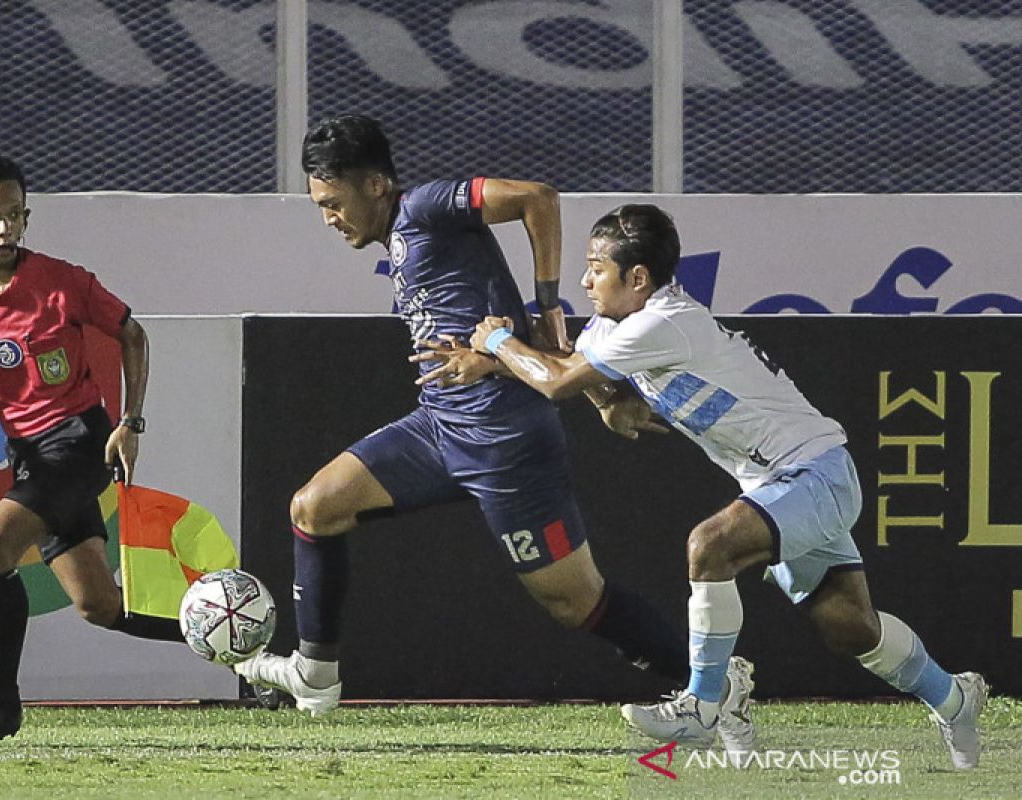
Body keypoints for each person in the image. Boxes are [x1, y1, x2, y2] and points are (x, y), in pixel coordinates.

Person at [233, 115, 755, 751]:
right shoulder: (398, 239)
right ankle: (315, 675)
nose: (329, 218)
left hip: (509, 444)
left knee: (575, 603)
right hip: (440, 425)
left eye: (334, 203)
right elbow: (495, 333)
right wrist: (585, 387)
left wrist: (548, 304)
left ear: (376, 184)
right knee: (314, 507)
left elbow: (538, 198)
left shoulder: (424, 208)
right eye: (320, 206)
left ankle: (716, 687)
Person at [457, 203, 987, 770]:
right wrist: (540, 378)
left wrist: (496, 344)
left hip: (818, 473)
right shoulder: (614, 326)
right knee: (852, 628)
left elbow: (558, 381)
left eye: (596, 268)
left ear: (638, 278)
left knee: (709, 546)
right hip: (780, 483)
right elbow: (591, 386)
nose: (585, 281)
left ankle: (703, 704)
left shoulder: (662, 321)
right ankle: (956, 698)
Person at [0, 154, 183, 746]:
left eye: (16, 215)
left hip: (80, 443)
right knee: (100, 605)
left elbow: (133, 333)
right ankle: (243, 647)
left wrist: (131, 421)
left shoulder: (62, 283)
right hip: (30, 454)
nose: (6, 228)